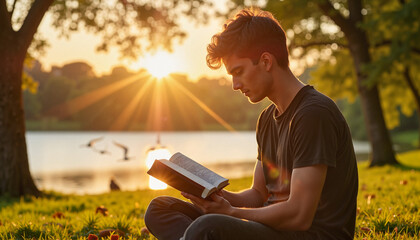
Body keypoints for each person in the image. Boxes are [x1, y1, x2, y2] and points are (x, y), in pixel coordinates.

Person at [144, 8, 358, 240]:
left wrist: (232, 213)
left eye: (239, 72)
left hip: (310, 235)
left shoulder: (313, 114)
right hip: (271, 230)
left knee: (208, 227)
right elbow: (258, 194)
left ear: (266, 61)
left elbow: (300, 215)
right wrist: (219, 200)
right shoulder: (267, 119)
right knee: (161, 208)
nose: (235, 85)